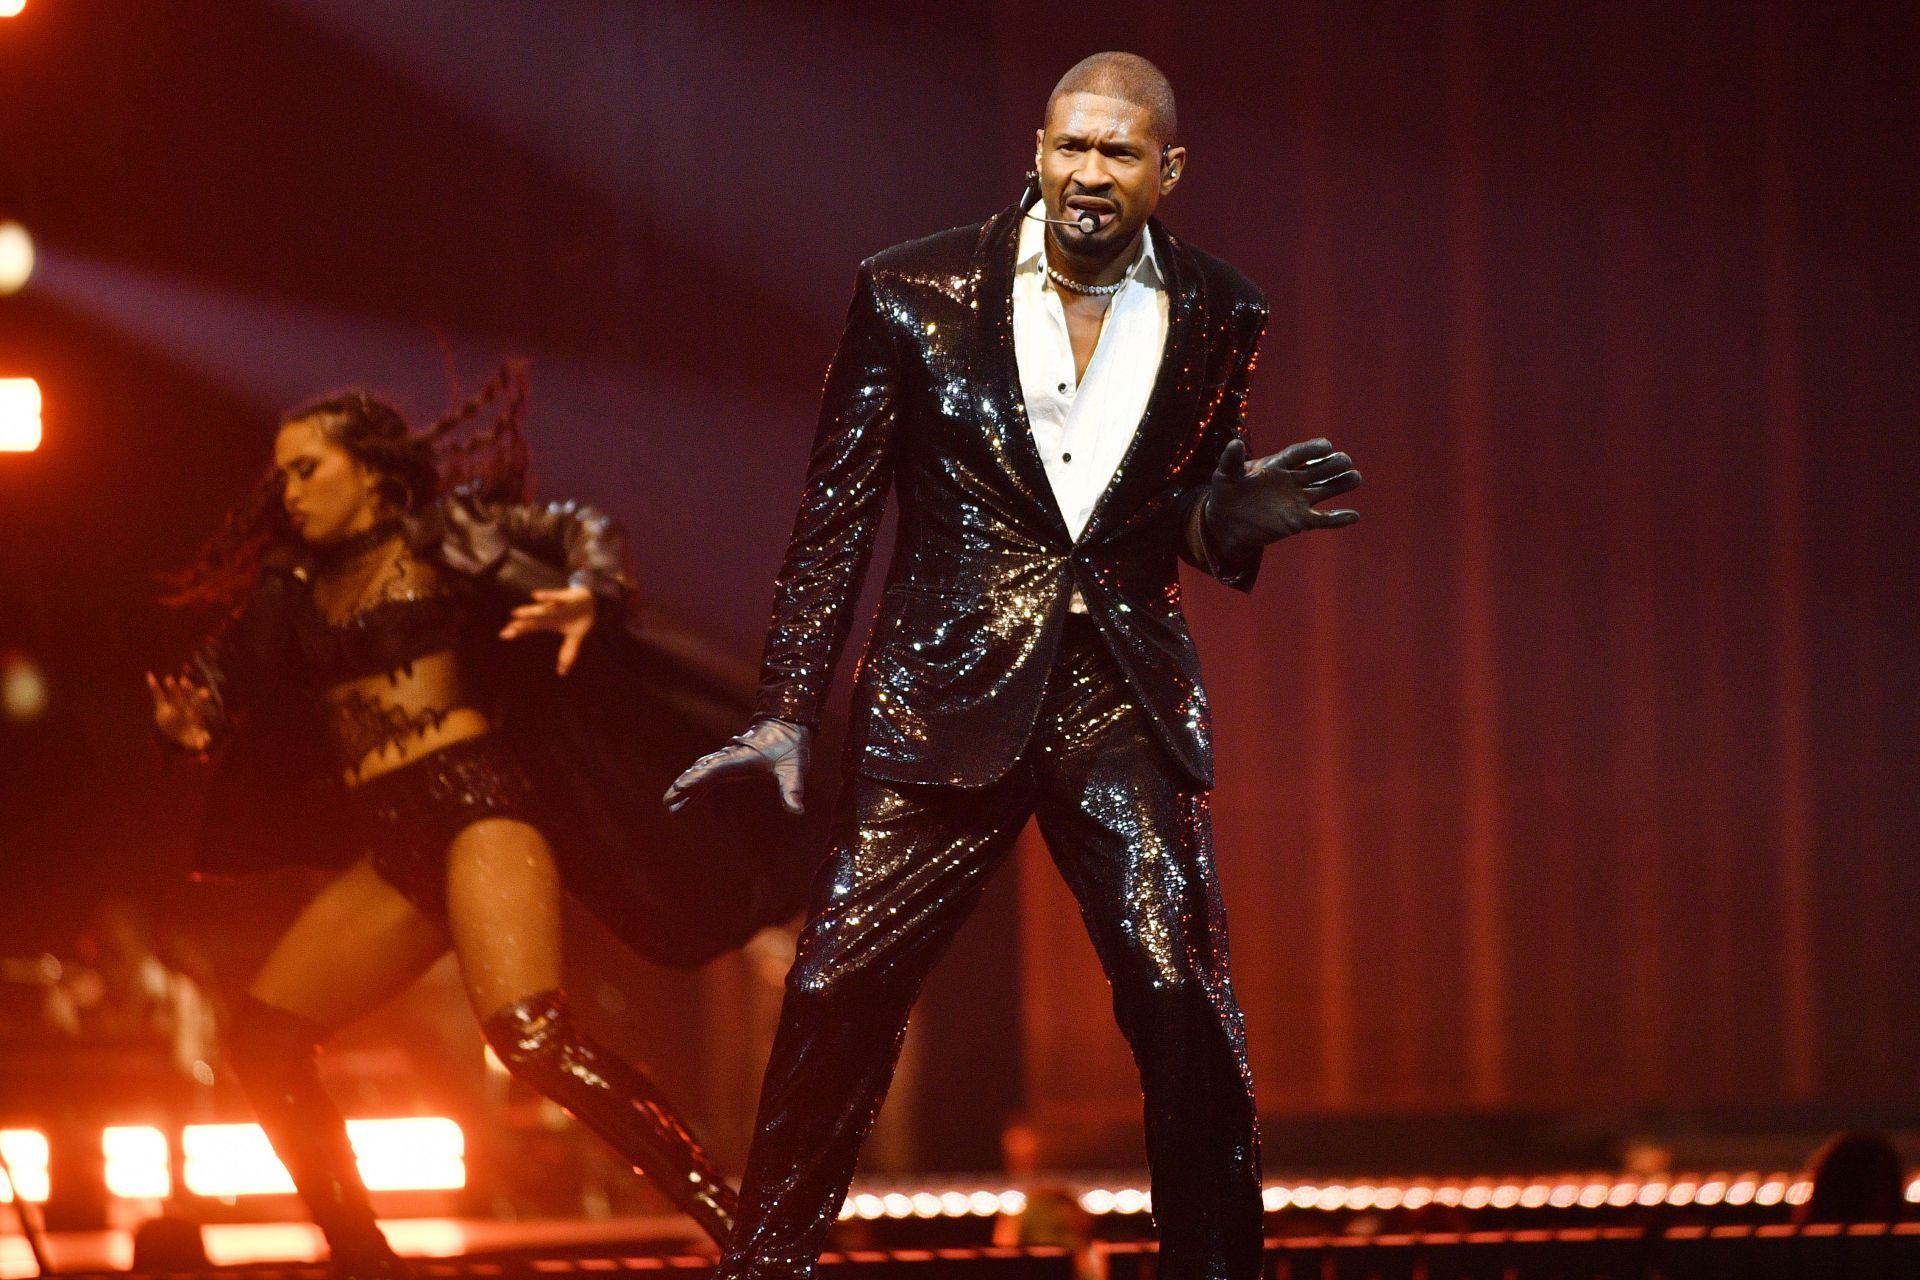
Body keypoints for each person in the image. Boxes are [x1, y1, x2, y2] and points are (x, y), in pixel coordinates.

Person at [665, 52, 1362, 1280]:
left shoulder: (1220, 310)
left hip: (1117, 696)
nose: (1092, 173)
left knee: (1180, 995)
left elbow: (1179, 515)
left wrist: (1237, 518)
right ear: (1036, 152)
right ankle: (763, 1265)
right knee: (835, 987)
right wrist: (784, 709)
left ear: (1167, 169)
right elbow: (837, 516)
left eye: (1120, 153)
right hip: (942, 686)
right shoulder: (912, 290)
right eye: (1073, 148)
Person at [149, 367, 813, 1277]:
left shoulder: (446, 533)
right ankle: (361, 1256)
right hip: (392, 839)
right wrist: (189, 727)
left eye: (307, 469)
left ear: (370, 473)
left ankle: (747, 1233)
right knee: (262, 1040)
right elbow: (223, 683)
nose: (288, 492)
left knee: (533, 1039)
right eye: (284, 476)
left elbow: (583, 528)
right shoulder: (289, 590)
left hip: (474, 803)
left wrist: (592, 591)